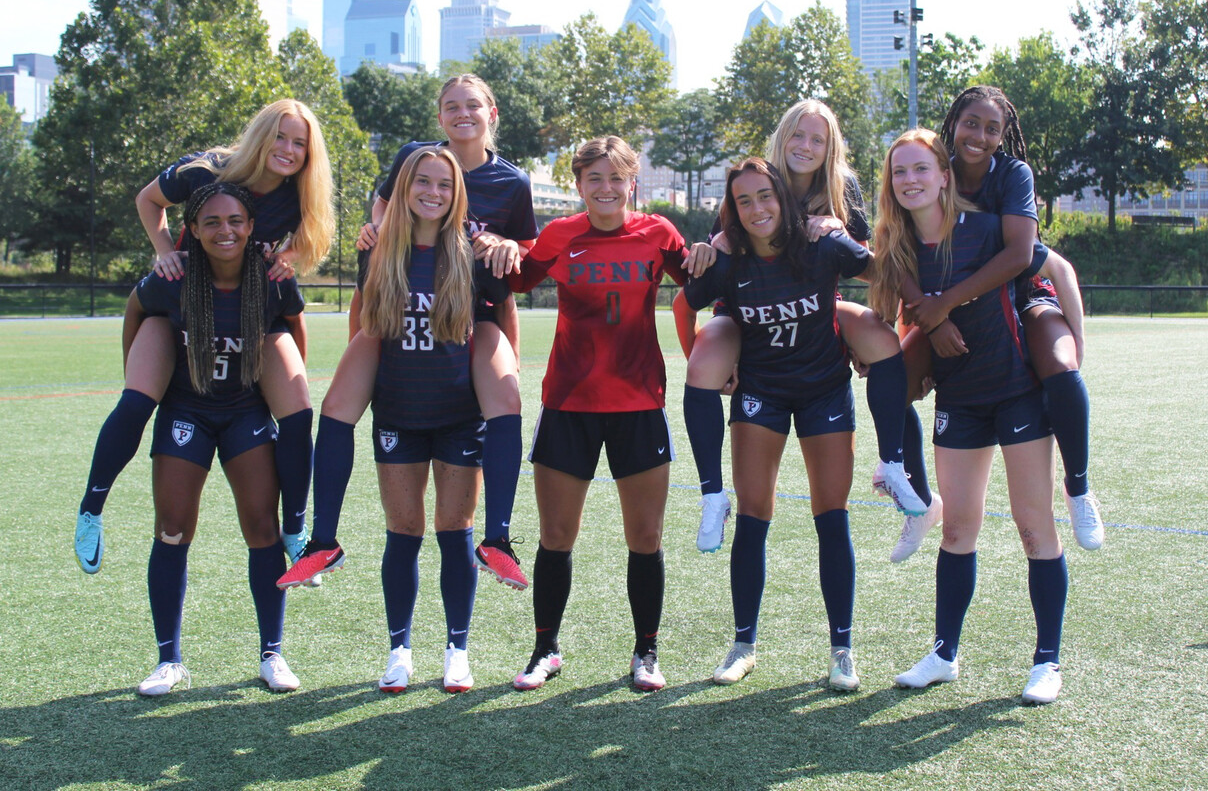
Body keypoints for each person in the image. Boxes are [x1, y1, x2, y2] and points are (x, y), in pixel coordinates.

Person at [278, 148, 504, 692]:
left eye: (444, 185)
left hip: (457, 413)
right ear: (403, 189)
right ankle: (398, 648)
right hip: (399, 409)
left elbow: (501, 324)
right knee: (402, 531)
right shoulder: (378, 250)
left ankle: (457, 649)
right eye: (421, 181)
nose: (433, 191)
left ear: (457, 193)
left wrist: (501, 387)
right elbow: (366, 322)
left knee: (455, 531)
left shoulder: (473, 252)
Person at [74, 99, 334, 575]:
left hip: (249, 313)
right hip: (181, 307)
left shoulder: (299, 192)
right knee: (135, 404)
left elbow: (316, 235)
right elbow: (147, 200)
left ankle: (296, 530)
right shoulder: (206, 169)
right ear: (260, 134)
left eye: (300, 143)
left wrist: (287, 258)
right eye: (280, 136)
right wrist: (162, 252)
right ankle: (91, 509)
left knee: (298, 414)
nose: (288, 150)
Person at [869, 129, 1070, 705]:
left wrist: (1072, 336)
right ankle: (944, 653)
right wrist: (929, 326)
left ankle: (1047, 661)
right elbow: (895, 317)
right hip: (959, 400)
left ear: (943, 175)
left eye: (920, 169)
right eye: (899, 172)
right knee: (957, 529)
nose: (910, 180)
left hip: (1017, 393)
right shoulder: (899, 248)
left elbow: (1051, 269)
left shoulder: (987, 231)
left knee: (1034, 526)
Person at [504, 135, 701, 692]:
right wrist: (494, 243)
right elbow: (513, 279)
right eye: (595, 178)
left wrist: (713, 251)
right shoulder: (560, 235)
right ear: (579, 185)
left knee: (644, 536)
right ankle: (545, 649)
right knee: (557, 535)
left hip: (639, 405)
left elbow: (702, 285)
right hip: (569, 404)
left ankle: (646, 653)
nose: (606, 188)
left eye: (616, 178)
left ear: (631, 182)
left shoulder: (659, 234)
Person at [674, 99, 914, 555]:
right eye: (797, 135)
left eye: (817, 139)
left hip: (816, 307)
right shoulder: (755, 181)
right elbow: (724, 244)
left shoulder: (843, 189)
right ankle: (712, 494)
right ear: (782, 138)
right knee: (703, 362)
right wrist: (709, 245)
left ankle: (895, 466)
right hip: (747, 315)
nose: (806, 146)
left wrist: (867, 332)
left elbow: (863, 268)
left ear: (830, 148)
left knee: (885, 344)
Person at [683, 158, 877, 691]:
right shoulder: (729, 258)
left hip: (823, 390)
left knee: (831, 514)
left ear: (784, 199)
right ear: (732, 210)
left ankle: (842, 650)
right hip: (761, 394)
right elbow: (686, 300)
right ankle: (743, 644)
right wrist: (701, 255)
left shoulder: (822, 244)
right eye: (743, 201)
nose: (757, 208)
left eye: (765, 196)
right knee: (753, 515)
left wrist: (873, 340)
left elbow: (885, 272)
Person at [896, 86, 1101, 559]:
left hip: (1022, 295)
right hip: (955, 310)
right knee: (891, 383)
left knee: (1060, 366)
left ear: (1004, 136)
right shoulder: (931, 168)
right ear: (953, 123)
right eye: (971, 123)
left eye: (993, 128)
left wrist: (1078, 338)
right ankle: (922, 503)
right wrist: (928, 321)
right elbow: (897, 252)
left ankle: (1078, 488)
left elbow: (1033, 259)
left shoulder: (1011, 175)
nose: (979, 136)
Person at [349, 75, 536, 590]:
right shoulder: (418, 157)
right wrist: (379, 231)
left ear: (491, 112)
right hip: (408, 304)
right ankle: (317, 536)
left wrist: (505, 244)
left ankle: (497, 538)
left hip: (476, 318)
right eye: (451, 106)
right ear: (439, 117)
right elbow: (386, 205)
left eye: (472, 105)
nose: (462, 114)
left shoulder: (512, 182)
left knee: (499, 414)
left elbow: (522, 258)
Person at [129, 182, 304, 696]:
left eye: (235, 221)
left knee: (261, 527)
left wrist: (280, 390)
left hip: (245, 410)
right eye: (211, 222)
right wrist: (141, 376)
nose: (224, 230)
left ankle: (272, 652)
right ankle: (169, 660)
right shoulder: (175, 275)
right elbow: (136, 312)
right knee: (173, 527)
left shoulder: (271, 278)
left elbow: (290, 330)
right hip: (187, 409)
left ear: (251, 226)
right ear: (194, 230)